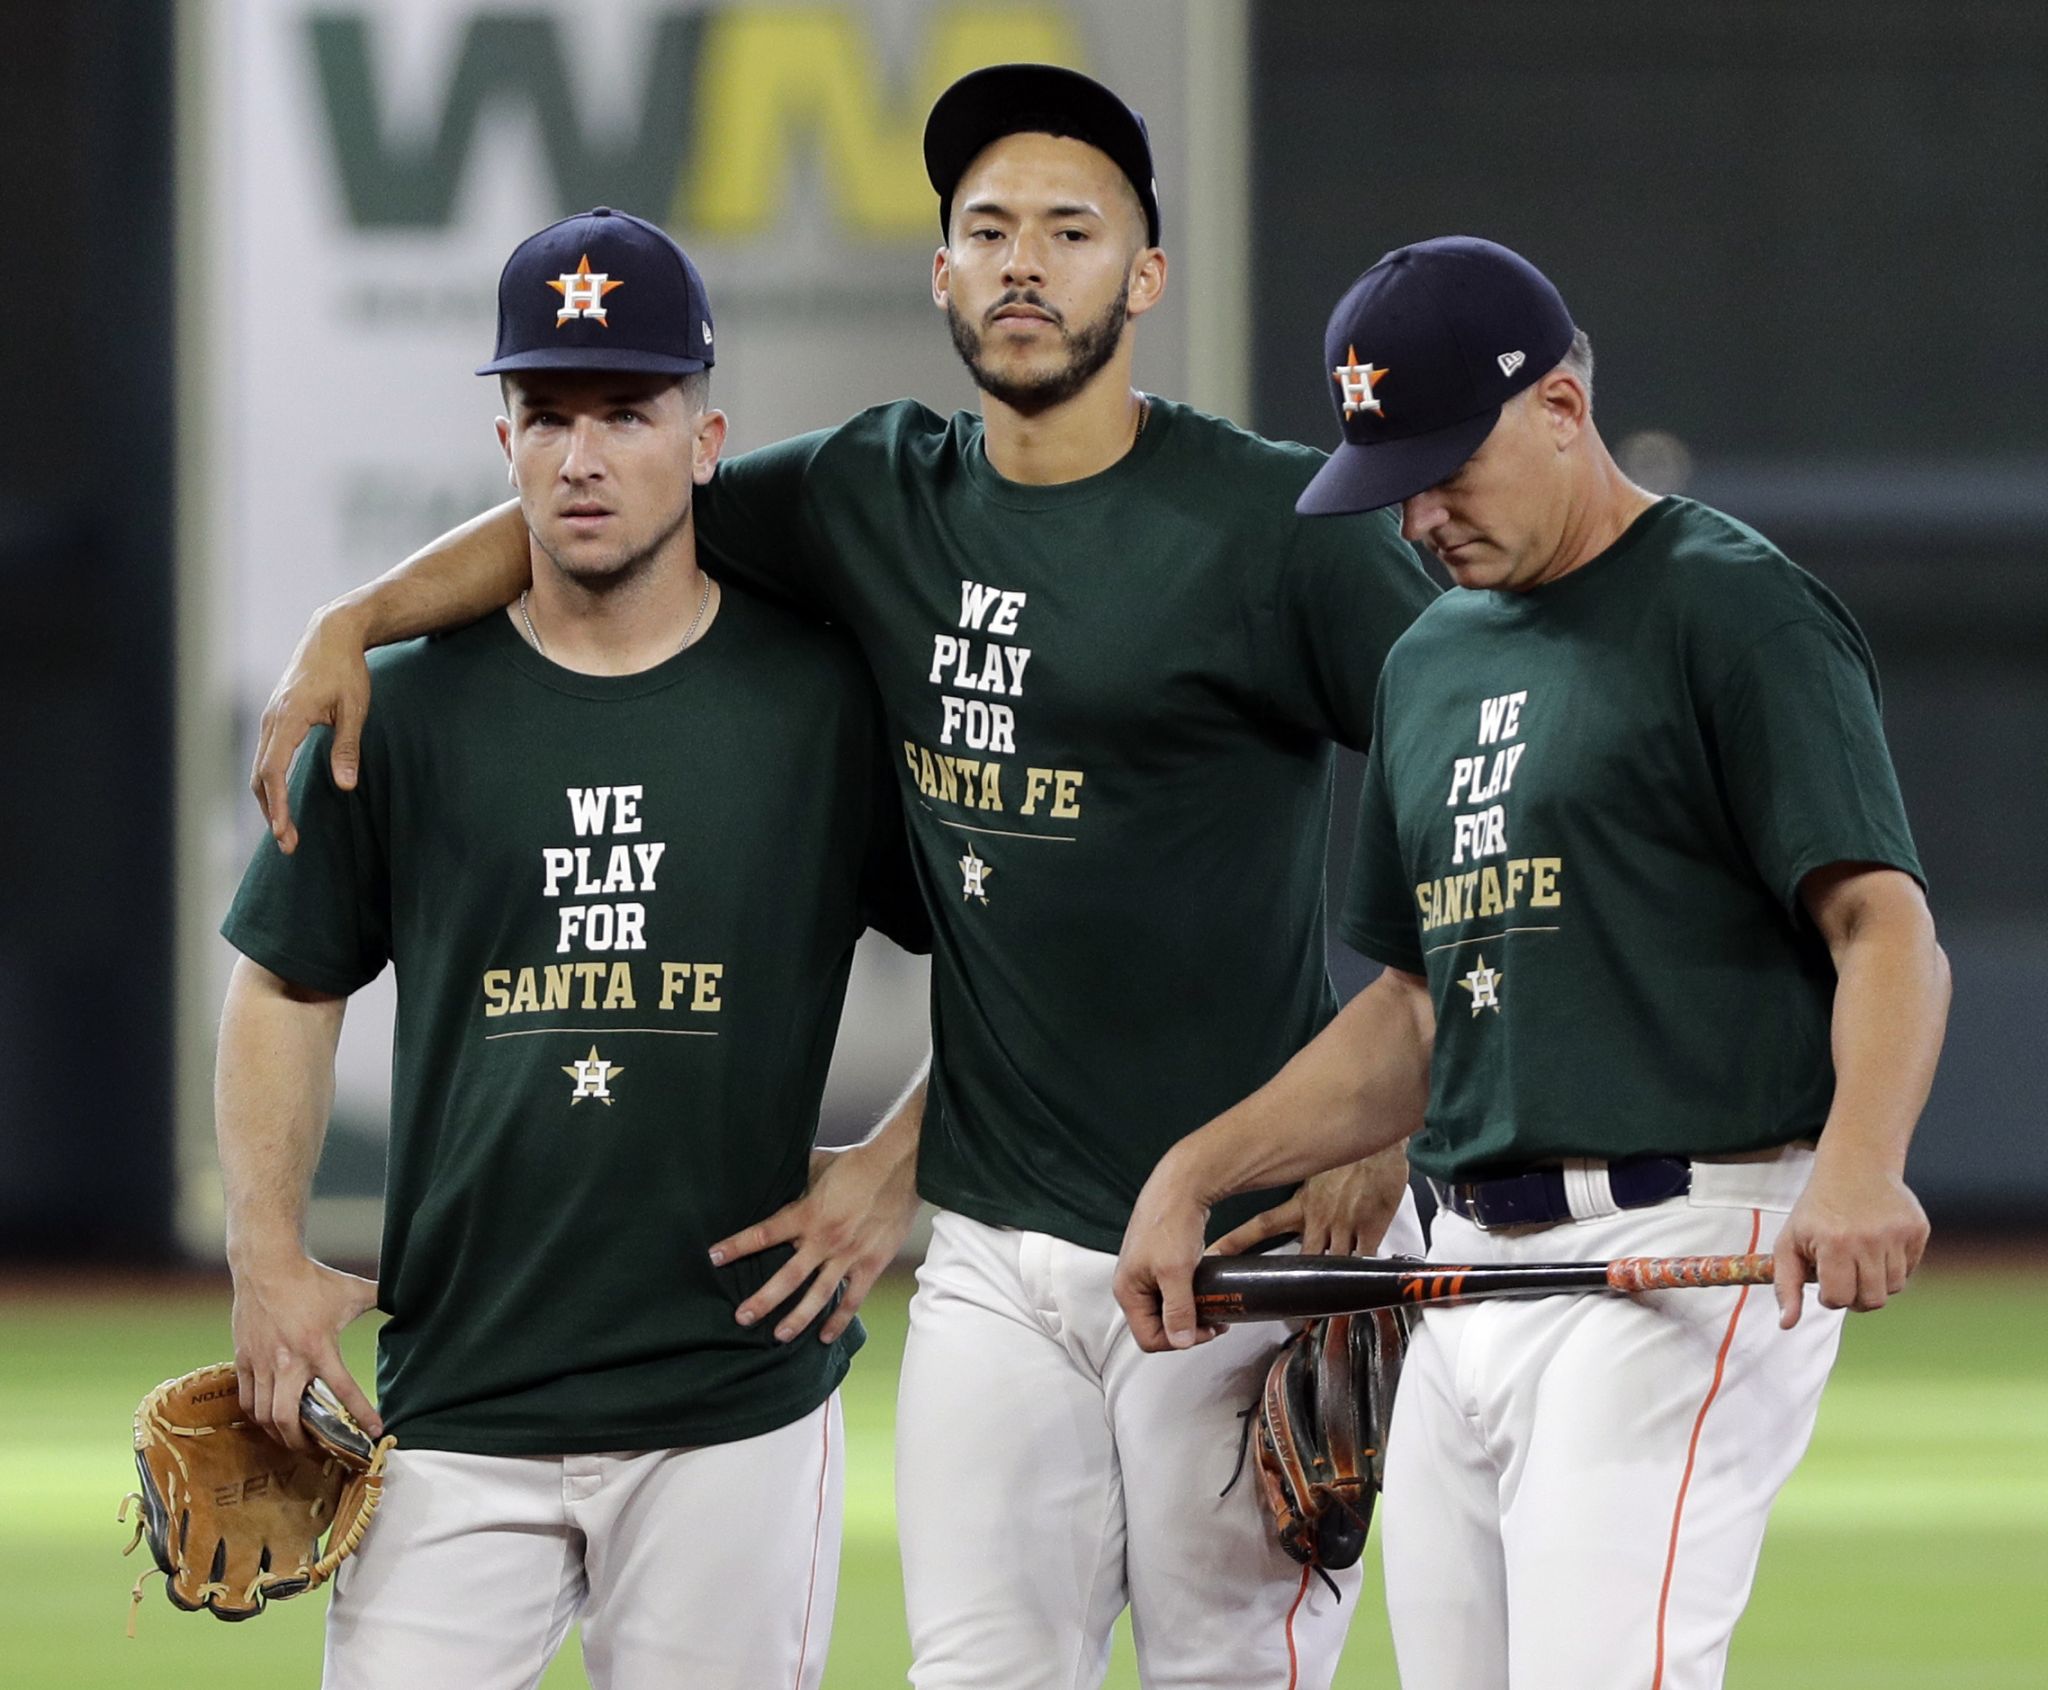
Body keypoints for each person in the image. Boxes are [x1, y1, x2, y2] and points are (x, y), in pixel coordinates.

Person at [249, 67, 1437, 1690]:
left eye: (1071, 231)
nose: (1025, 263)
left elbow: (1491, 772)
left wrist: (1401, 1105)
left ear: (1144, 275)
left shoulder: (1274, 525)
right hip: (994, 1257)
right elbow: (597, 498)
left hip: (1229, 1240)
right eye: (987, 230)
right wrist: (357, 620)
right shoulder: (871, 493)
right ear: (938, 271)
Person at [1113, 236, 1951, 1690]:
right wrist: (1197, 1166)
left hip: (1678, 1252)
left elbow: (1883, 923)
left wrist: (1864, 1157)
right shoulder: (1426, 659)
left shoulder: (1729, 607)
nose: (1423, 512)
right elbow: (1415, 1010)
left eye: (1450, 466)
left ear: (1562, 407)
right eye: (1396, 482)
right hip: (1460, 1278)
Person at [217, 207, 929, 1689]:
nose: (583, 455)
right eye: (546, 415)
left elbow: (1012, 942)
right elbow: (286, 978)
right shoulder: (399, 709)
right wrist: (264, 1249)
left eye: (627, 412)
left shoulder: (820, 703)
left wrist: (894, 1157)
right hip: (459, 1398)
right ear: (505, 446)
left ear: (709, 436)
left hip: (731, 1400)